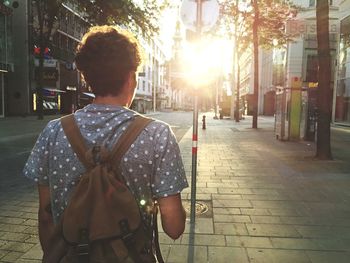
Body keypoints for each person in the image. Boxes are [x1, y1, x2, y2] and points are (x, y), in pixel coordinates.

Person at [23, 25, 188, 256]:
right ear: (131, 77)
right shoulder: (157, 135)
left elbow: (45, 215)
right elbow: (174, 227)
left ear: (86, 77)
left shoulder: (53, 132)